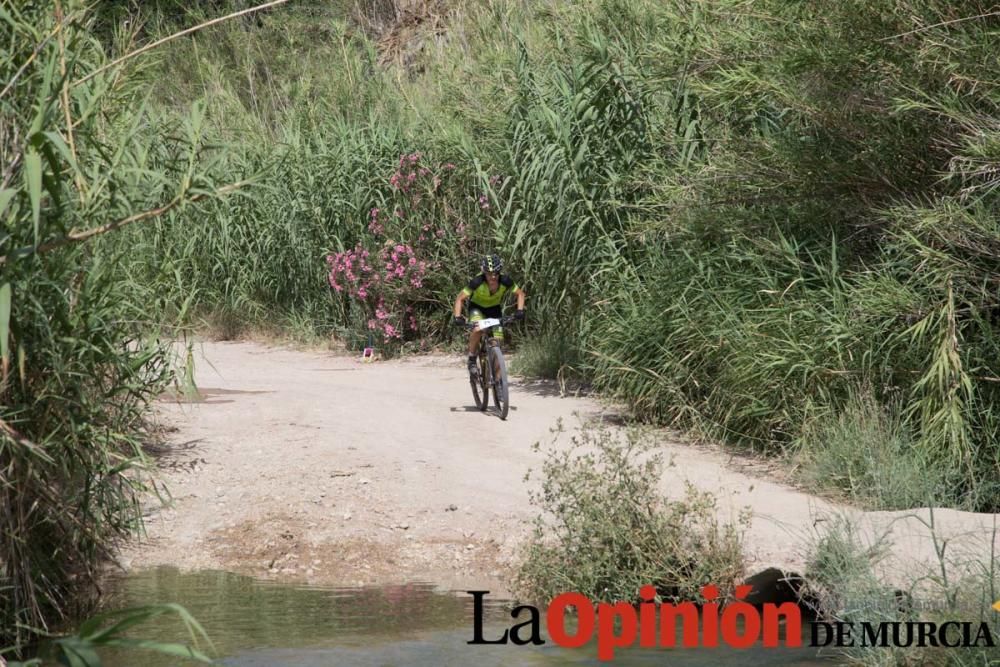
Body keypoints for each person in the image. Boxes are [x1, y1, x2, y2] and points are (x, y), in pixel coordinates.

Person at [452, 253, 525, 376]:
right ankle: (471, 359)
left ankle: (499, 382)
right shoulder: (477, 282)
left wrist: (520, 310)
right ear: (483, 272)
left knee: (497, 340)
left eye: (496, 273)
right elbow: (460, 298)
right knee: (478, 329)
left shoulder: (505, 280)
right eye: (489, 273)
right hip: (477, 308)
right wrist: (457, 316)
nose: (493, 276)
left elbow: (520, 294)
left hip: (494, 309)